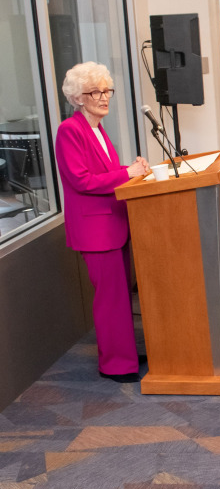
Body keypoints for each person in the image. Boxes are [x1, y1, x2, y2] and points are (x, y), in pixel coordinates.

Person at [55, 62, 150, 384]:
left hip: (113, 224)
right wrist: (127, 174)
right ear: (78, 98)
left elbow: (103, 172)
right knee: (109, 298)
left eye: (106, 90)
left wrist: (132, 168)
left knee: (121, 294)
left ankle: (122, 350)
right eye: (94, 92)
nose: (104, 97)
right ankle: (115, 364)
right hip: (96, 230)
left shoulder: (96, 129)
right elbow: (82, 180)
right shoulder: (70, 130)